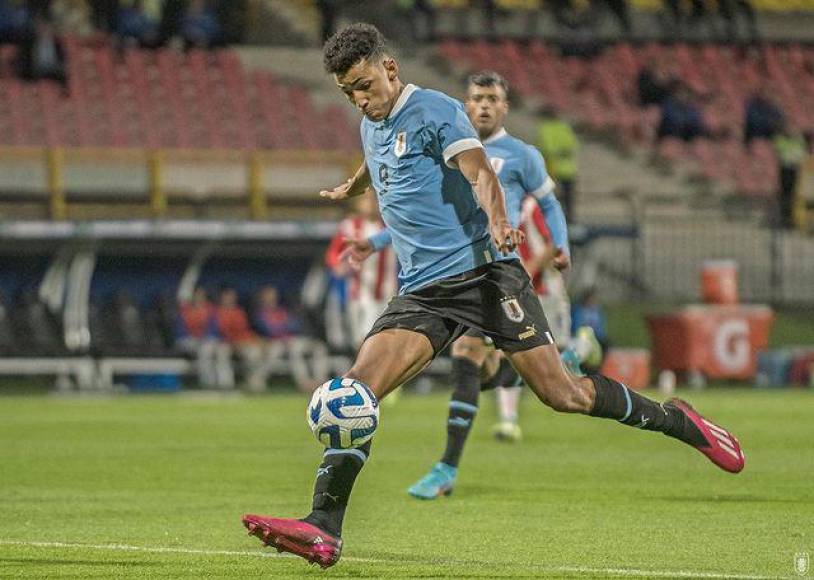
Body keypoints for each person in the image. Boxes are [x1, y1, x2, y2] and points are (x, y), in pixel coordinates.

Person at [241, 23, 744, 569]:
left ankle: (678, 421)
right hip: (422, 295)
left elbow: (479, 172)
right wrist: (352, 187)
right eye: (348, 93)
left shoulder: (436, 111)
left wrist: (500, 222)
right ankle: (323, 527)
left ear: (390, 69)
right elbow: (378, 161)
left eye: (364, 85)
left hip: (486, 277)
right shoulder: (372, 123)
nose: (360, 100)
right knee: (355, 394)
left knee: (564, 395)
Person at [325, 192, 397, 349]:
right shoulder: (349, 225)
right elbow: (333, 253)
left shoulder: (391, 226)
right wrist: (337, 265)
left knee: (376, 340)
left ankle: (370, 372)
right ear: (358, 203)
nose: (370, 203)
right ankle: (365, 373)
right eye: (366, 199)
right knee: (360, 341)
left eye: (374, 199)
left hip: (385, 293)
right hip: (357, 292)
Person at [536, 106, 578, 223]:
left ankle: (551, 220)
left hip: (552, 169)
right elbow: (572, 145)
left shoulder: (545, 128)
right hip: (568, 170)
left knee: (551, 198)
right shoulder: (564, 127)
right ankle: (569, 220)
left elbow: (546, 149)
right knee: (568, 198)